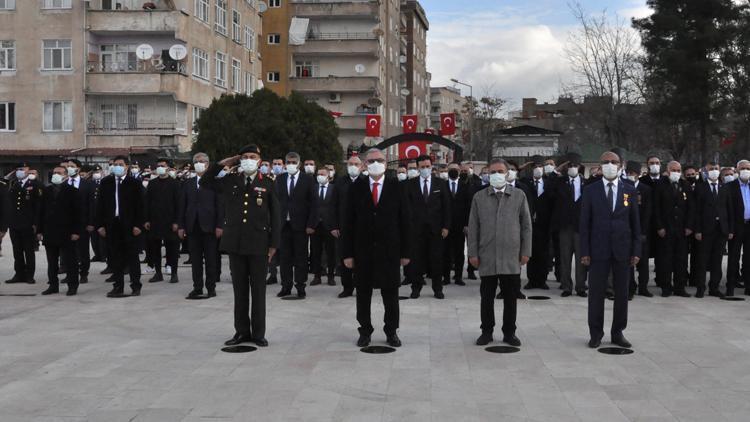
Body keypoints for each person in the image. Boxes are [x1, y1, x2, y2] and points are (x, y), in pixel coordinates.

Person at [211, 145, 281, 348]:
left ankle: (258, 333)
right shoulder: (231, 180)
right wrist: (225, 163)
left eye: (253, 157)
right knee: (239, 292)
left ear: (259, 162)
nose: (248, 160)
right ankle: (241, 332)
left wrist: (274, 244)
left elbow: (275, 216)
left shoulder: (268, 183)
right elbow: (207, 182)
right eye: (245, 157)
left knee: (258, 291)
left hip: (259, 245)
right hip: (235, 244)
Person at [342, 148, 410, 348]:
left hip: (389, 251)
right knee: (363, 294)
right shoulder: (356, 188)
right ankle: (365, 331)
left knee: (390, 295)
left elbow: (406, 221)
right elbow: (347, 222)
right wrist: (347, 253)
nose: (375, 164)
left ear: (386, 163)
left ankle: (391, 331)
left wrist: (406, 252)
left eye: (379, 160)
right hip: (362, 251)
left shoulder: (396, 187)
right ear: (364, 164)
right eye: (371, 161)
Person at [580, 151, 641, 349]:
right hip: (598, 249)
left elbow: (635, 223)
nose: (609, 165)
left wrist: (636, 250)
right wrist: (585, 251)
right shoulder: (591, 190)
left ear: (620, 165)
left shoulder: (628, 189)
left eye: (613, 162)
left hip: (623, 249)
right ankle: (596, 333)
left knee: (622, 293)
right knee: (596, 294)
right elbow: (584, 224)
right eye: (605, 162)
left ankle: (618, 332)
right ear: (600, 165)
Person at [468, 158, 532, 347]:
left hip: (511, 256)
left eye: (500, 171)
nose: (497, 175)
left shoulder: (519, 195)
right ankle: (486, 331)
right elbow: (473, 228)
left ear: (507, 173)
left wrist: (526, 251)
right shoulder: (479, 197)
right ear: (488, 174)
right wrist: (472, 253)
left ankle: (509, 332)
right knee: (487, 297)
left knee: (510, 298)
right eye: (493, 172)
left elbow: (526, 226)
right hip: (487, 255)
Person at [96, 156, 145, 297]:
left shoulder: (134, 183)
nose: (117, 166)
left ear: (126, 166)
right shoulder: (106, 183)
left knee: (132, 257)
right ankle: (118, 286)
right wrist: (100, 225)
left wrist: (138, 225)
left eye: (120, 164)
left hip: (130, 225)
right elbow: (100, 205)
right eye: (115, 164)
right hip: (112, 224)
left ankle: (136, 285)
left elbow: (141, 206)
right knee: (115, 257)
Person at [177, 153, 223, 299]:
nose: (199, 163)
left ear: (208, 164)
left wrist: (219, 225)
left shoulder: (215, 183)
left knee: (211, 259)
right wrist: (181, 226)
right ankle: (197, 287)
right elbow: (182, 206)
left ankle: (211, 287)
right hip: (192, 226)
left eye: (202, 161)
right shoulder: (187, 183)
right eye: (197, 161)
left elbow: (220, 206)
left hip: (209, 227)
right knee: (195, 260)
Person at [405, 154, 451, 299]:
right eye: (422, 167)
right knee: (416, 260)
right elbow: (406, 207)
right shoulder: (410, 184)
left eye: (428, 166)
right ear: (418, 168)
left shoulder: (440, 184)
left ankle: (438, 288)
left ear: (432, 167)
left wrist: (446, 226)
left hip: (436, 229)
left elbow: (447, 207)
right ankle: (416, 288)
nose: (425, 169)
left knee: (436, 260)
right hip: (416, 230)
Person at [275, 152, 317, 298]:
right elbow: (275, 202)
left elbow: (314, 204)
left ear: (299, 163)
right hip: (283, 225)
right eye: (288, 162)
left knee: (301, 257)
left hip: (301, 225)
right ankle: (286, 286)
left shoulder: (307, 180)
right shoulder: (280, 179)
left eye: (294, 162)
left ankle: (300, 286)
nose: (291, 164)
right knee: (285, 258)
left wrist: (311, 224)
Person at [653, 161, 694, 297]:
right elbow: (656, 208)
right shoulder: (660, 185)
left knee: (681, 260)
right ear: (667, 170)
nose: (676, 172)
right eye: (673, 170)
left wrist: (689, 226)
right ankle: (666, 287)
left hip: (682, 230)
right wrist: (659, 226)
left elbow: (690, 208)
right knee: (666, 260)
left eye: (678, 170)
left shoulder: (685, 185)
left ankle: (680, 287)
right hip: (666, 228)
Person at [38, 166, 81, 296]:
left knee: (70, 261)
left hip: (67, 231)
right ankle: (53, 285)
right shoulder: (46, 190)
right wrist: (39, 231)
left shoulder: (72, 191)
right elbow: (40, 212)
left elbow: (78, 213)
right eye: (54, 172)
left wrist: (76, 231)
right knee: (52, 262)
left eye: (59, 173)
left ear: (66, 175)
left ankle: (72, 285)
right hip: (50, 231)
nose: (55, 175)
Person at [693, 161, 733, 298]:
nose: (714, 171)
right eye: (711, 169)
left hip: (721, 229)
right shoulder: (700, 187)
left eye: (716, 169)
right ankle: (700, 288)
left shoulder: (725, 188)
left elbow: (729, 210)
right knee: (702, 260)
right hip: (705, 229)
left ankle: (714, 287)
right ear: (706, 171)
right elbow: (696, 211)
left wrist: (729, 229)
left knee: (717, 260)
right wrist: (697, 230)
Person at [551, 157, 586, 297]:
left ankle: (581, 287)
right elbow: (548, 188)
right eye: (570, 165)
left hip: (580, 226)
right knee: (565, 258)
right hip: (565, 226)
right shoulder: (560, 182)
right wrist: (557, 170)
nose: (572, 167)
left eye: (575, 165)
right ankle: (566, 286)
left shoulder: (586, 182)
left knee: (581, 259)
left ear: (579, 167)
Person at [145, 159, 181, 284]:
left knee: (172, 248)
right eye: (158, 166)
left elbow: (179, 204)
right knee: (155, 249)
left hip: (170, 221)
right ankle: (158, 273)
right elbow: (147, 203)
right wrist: (147, 220)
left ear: (168, 168)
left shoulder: (175, 184)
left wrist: (177, 221)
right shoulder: (152, 183)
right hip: (155, 221)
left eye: (162, 166)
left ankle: (174, 273)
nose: (160, 168)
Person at [5, 162, 41, 284]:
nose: (20, 171)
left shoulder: (34, 184)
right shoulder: (13, 184)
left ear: (28, 170)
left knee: (29, 250)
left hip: (28, 223)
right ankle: (19, 274)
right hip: (14, 223)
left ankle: (29, 275)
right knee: (17, 250)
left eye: (23, 169)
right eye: (18, 169)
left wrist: (36, 223)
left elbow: (38, 206)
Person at [524, 156, 554, 290]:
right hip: (530, 223)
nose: (538, 169)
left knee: (544, 253)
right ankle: (531, 279)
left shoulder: (549, 182)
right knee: (531, 252)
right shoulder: (526, 182)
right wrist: (523, 167)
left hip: (544, 223)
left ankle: (542, 280)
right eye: (535, 166)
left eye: (540, 166)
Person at [336, 156, 364, 298]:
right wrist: (334, 226)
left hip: (362, 227)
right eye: (351, 164)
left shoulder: (366, 182)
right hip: (343, 226)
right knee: (345, 256)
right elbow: (333, 205)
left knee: (361, 258)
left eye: (356, 164)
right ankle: (347, 287)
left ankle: (361, 286)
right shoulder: (340, 182)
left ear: (361, 166)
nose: (353, 166)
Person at [625, 161, 654, 298]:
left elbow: (648, 212)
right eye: (628, 173)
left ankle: (643, 287)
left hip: (642, 231)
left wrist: (643, 232)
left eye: (632, 173)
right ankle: (630, 287)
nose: (630, 175)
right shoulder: (623, 188)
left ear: (637, 174)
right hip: (627, 231)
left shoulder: (646, 189)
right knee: (628, 261)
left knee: (643, 261)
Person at [63, 159, 95, 284]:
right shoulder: (64, 183)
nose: (69, 168)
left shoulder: (87, 184)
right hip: (67, 223)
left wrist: (91, 222)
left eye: (72, 166)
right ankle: (70, 274)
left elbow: (92, 205)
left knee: (83, 250)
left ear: (78, 169)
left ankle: (83, 273)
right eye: (68, 166)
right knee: (68, 251)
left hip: (83, 222)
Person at [443, 162, 471, 286]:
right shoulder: (442, 186)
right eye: (451, 169)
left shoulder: (464, 187)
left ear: (459, 171)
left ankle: (458, 276)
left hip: (460, 225)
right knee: (446, 252)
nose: (453, 171)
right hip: (445, 226)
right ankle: (446, 277)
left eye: (455, 169)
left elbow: (468, 207)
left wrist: (466, 224)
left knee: (459, 252)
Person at [310, 167, 338, 287]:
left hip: (330, 226)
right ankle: (317, 276)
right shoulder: (313, 189)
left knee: (331, 252)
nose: (320, 176)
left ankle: (331, 275)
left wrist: (336, 226)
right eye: (318, 174)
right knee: (315, 252)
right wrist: (309, 225)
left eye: (322, 174)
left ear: (328, 176)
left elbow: (337, 208)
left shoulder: (334, 189)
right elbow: (309, 207)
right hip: (315, 225)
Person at [726, 160, 750, 296]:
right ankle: (730, 287)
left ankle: (748, 286)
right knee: (733, 258)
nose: (746, 170)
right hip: (736, 227)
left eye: (748, 168)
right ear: (737, 170)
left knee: (748, 259)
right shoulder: (730, 187)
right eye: (743, 168)